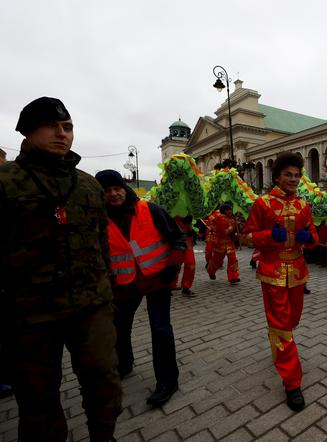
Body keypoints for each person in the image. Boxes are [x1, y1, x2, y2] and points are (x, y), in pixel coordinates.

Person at [0, 97, 122, 441]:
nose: (62, 133)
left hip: (91, 305)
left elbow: (102, 244)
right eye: (51, 126)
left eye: (68, 127)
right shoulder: (6, 181)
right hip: (29, 312)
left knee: (104, 381)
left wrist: (107, 292)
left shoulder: (87, 184)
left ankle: (104, 436)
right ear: (26, 131)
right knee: (37, 397)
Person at [95, 169, 185, 408]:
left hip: (157, 280)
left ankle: (167, 381)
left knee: (161, 329)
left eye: (117, 188)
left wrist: (173, 265)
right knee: (119, 327)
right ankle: (124, 364)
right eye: (107, 191)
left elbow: (178, 238)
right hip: (124, 285)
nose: (113, 194)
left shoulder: (150, 210)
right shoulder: (98, 219)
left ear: (124, 188)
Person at [240, 152, 319, 412]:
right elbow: (246, 237)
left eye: (297, 175)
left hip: (297, 272)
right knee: (283, 326)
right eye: (288, 174)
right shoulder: (262, 204)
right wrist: (268, 237)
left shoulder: (304, 206)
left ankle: (278, 340)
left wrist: (309, 237)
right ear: (277, 176)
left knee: (292, 321)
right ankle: (292, 383)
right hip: (272, 272)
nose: (294, 179)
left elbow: (315, 238)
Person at [205, 203, 240, 284]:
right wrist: (233, 225)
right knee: (217, 261)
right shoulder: (220, 218)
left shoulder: (231, 219)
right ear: (224, 211)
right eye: (228, 210)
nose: (230, 211)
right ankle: (211, 271)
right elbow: (225, 232)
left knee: (233, 259)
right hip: (220, 243)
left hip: (229, 243)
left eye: (230, 209)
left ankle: (233, 277)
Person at [173, 215, 197, 297]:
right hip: (174, 242)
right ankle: (170, 285)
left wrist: (191, 231)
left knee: (191, 263)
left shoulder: (189, 211)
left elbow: (189, 229)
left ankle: (186, 287)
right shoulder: (170, 211)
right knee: (174, 264)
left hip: (187, 242)